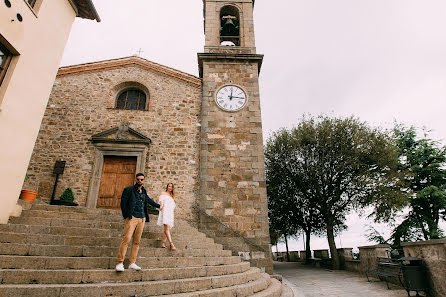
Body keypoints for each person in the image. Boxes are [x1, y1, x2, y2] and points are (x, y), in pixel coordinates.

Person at [115, 173, 160, 272]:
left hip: (142, 218)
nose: (140, 181)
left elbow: (148, 200)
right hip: (132, 217)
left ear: (144, 181)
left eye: (142, 179)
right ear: (136, 180)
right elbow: (123, 202)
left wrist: (159, 206)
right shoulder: (128, 190)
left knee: (136, 241)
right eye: (138, 179)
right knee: (126, 239)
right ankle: (120, 262)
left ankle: (132, 262)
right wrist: (126, 215)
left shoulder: (143, 191)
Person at [157, 183, 177, 251]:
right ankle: (171, 244)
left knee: (166, 228)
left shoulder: (172, 196)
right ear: (167, 187)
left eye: (171, 186)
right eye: (169, 186)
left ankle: (163, 243)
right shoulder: (163, 193)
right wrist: (161, 206)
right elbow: (161, 200)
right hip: (164, 212)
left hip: (170, 213)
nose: (170, 187)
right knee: (167, 228)